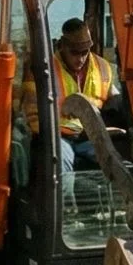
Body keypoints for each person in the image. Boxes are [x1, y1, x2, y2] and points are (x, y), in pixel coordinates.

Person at [21, 17, 120, 178]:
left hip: (90, 137)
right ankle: (67, 202)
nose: (80, 59)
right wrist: (58, 132)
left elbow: (113, 97)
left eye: (84, 52)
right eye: (74, 53)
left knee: (117, 162)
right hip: (60, 137)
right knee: (61, 164)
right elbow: (32, 116)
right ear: (62, 46)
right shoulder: (42, 70)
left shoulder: (102, 67)